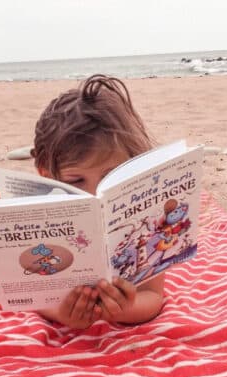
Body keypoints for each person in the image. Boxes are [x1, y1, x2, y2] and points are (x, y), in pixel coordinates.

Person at [31, 74, 164, 329]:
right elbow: (32, 296)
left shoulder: (144, 218)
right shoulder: (41, 216)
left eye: (111, 177)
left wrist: (125, 309)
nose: (95, 194)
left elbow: (154, 296)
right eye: (75, 181)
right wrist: (61, 314)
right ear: (46, 173)